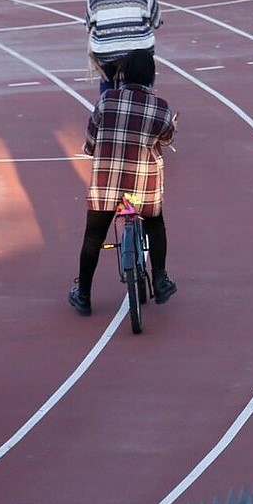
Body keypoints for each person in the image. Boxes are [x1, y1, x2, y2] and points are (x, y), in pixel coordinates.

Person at [71, 50, 178, 315]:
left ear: (124, 73)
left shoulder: (107, 100)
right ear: (151, 76)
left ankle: (83, 294)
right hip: (143, 185)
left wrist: (92, 146)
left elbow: (91, 139)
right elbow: (165, 139)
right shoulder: (161, 107)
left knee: (93, 236)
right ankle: (161, 279)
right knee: (155, 223)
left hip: (107, 184)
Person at [86, 0, 162, 94]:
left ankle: (106, 105)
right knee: (142, 77)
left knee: (107, 76)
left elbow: (90, 24)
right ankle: (144, 99)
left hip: (107, 51)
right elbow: (156, 19)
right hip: (139, 51)